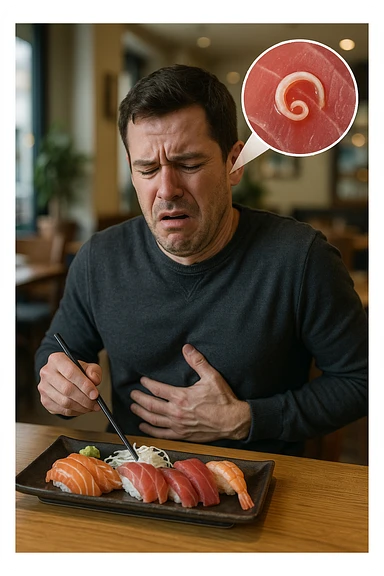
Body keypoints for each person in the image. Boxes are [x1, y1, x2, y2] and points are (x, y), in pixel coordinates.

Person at [35, 64, 368, 456]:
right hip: (135, 482)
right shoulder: (99, 259)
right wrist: (59, 381)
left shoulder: (300, 258)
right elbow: (58, 350)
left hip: (269, 485)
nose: (167, 190)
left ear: (234, 163)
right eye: (147, 169)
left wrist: (246, 418)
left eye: (189, 164)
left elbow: (362, 380)